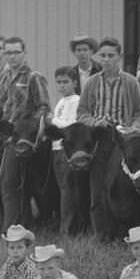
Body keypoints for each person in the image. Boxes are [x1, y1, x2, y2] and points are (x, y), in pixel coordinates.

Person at [0, 35, 51, 228]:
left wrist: (33, 131)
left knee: (10, 183)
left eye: (16, 52)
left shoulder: (34, 77)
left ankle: (10, 228)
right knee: (13, 183)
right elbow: (1, 106)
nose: (11, 56)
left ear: (24, 53)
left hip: (27, 138)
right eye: (8, 52)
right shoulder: (4, 76)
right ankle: (21, 225)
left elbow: (44, 108)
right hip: (8, 136)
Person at [48, 65, 80, 225]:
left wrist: (52, 120)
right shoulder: (61, 101)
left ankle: (68, 226)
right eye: (59, 82)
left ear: (74, 82)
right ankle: (63, 221)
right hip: (55, 148)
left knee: (68, 189)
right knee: (61, 187)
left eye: (65, 82)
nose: (61, 85)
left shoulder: (76, 101)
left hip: (66, 150)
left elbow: (71, 126)